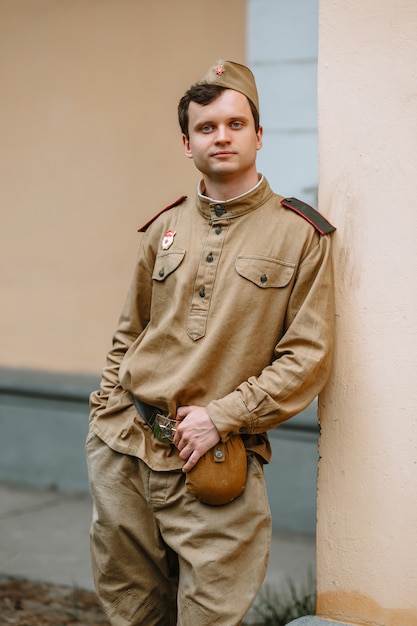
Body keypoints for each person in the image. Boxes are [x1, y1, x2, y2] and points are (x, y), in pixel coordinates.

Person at [86, 59, 335, 626]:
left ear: (258, 134)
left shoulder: (300, 235)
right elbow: (131, 330)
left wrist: (221, 416)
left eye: (235, 123)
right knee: (131, 612)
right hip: (124, 447)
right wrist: (104, 412)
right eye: (206, 127)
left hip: (215, 461)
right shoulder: (163, 227)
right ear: (187, 143)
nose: (221, 136)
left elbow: (308, 357)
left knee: (210, 616)